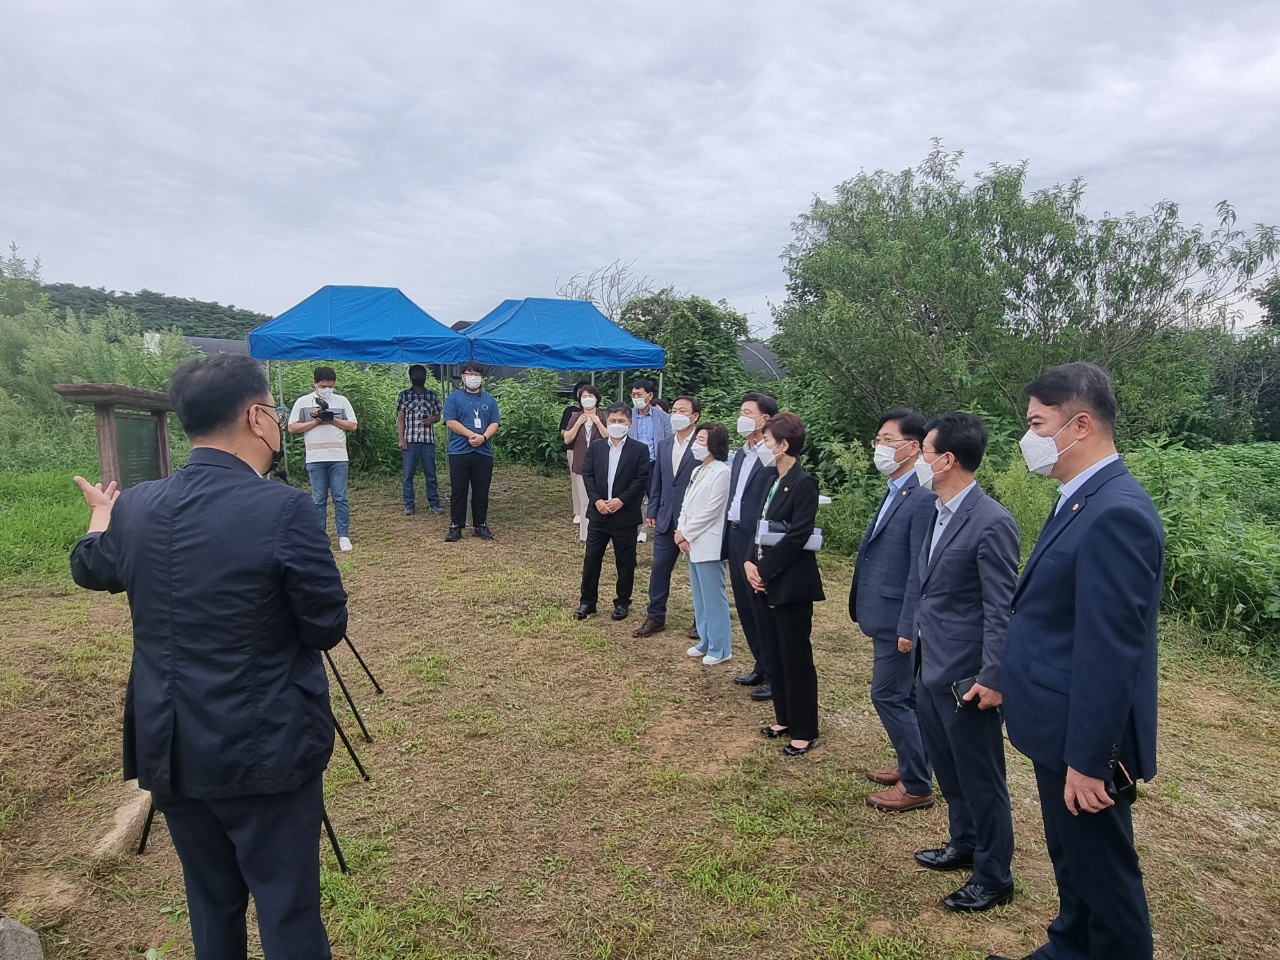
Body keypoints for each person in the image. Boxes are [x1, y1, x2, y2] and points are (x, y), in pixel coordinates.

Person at [70, 353, 348, 960]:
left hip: (171, 743)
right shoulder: (284, 509)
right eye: (274, 411)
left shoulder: (138, 505)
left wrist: (100, 515)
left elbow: (91, 567)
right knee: (287, 907)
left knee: (210, 903)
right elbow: (326, 625)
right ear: (256, 417)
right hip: (265, 746)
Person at [990, 363, 1165, 960]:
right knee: (1074, 861)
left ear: (1080, 424)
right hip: (1054, 724)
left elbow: (1111, 649)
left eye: (1038, 423)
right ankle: (1067, 946)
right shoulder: (1080, 498)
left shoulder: (1116, 511)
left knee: (1105, 874)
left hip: (1082, 741)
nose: (1029, 436)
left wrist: (1091, 760)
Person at [909, 412, 1020, 914]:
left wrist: (993, 676)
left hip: (967, 678)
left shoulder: (992, 521)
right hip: (931, 665)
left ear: (947, 459)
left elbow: (1001, 609)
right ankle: (964, 843)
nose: (917, 460)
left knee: (981, 777)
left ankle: (994, 875)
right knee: (949, 771)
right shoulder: (938, 508)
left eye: (924, 451)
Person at [851, 408, 937, 812]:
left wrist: (909, 623)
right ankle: (910, 764)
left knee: (888, 695)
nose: (880, 448)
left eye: (888, 440)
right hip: (884, 612)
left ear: (913, 447)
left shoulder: (921, 497)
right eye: (878, 440)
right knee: (905, 694)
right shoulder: (896, 487)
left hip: (896, 618)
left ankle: (918, 783)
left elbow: (919, 569)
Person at [744, 412, 825, 756]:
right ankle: (784, 717)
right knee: (773, 652)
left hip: (790, 581)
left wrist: (764, 570)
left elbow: (797, 536)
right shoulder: (768, 477)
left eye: (768, 439)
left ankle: (804, 729)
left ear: (784, 444)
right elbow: (758, 523)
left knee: (795, 657)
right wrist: (749, 560)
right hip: (763, 576)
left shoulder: (804, 482)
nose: (763, 444)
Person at [723, 392, 779, 701]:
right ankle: (760, 663)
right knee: (744, 604)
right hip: (735, 531)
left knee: (760, 604)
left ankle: (773, 673)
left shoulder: (771, 456)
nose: (742, 417)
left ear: (765, 419)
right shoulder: (742, 453)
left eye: (748, 412)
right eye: (741, 410)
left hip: (758, 535)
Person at [574, 403, 651, 621]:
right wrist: (597, 500)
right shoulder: (597, 447)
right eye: (613, 421)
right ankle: (587, 602)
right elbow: (587, 475)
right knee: (591, 559)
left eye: (621, 421)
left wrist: (622, 500)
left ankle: (622, 602)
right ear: (607, 422)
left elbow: (640, 479)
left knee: (625, 562)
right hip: (599, 514)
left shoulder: (639, 449)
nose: (617, 425)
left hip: (624, 516)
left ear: (630, 423)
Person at [634, 395, 701, 639]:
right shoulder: (664, 444)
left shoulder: (703, 445)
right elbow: (658, 481)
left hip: (693, 521)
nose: (677, 414)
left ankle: (700, 619)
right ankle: (655, 616)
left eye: (683, 410)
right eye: (674, 409)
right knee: (659, 569)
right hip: (664, 517)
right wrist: (652, 510)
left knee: (698, 573)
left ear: (694, 417)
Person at [676, 423, 733, 665]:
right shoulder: (697, 470)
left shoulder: (723, 472)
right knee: (699, 595)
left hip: (708, 541)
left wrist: (686, 533)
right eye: (697, 438)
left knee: (713, 596)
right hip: (691, 539)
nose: (696, 444)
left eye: (701, 439)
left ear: (713, 444)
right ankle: (705, 639)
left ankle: (721, 647)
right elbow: (686, 504)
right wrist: (680, 530)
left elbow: (712, 511)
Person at [288, 366, 357, 552]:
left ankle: (343, 536)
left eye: (330, 386)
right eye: (323, 385)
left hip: (338, 457)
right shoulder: (303, 402)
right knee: (318, 499)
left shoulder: (342, 401)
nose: (327, 389)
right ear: (315, 384)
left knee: (340, 497)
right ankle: (320, 537)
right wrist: (314, 421)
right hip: (315, 457)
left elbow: (353, 425)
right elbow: (292, 427)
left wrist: (331, 419)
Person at [442, 362, 501, 542]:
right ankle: (456, 526)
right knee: (459, 489)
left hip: (483, 452)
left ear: (482, 377)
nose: (473, 377)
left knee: (481, 489)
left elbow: (495, 423)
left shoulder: (489, 400)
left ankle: (480, 525)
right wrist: (470, 434)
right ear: (463, 377)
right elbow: (450, 421)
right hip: (459, 451)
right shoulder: (454, 397)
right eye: (469, 373)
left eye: (476, 374)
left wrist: (483, 437)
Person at [628, 378, 672, 544]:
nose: (636, 398)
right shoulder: (628, 415)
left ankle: (645, 529)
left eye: (639, 394)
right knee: (632, 496)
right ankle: (631, 527)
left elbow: (669, 440)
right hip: (633, 464)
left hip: (654, 463)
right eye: (633, 394)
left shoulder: (663, 417)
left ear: (650, 395)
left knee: (653, 497)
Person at [396, 364, 444, 516]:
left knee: (431, 474)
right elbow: (401, 418)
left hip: (427, 440)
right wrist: (401, 439)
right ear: (410, 377)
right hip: (410, 440)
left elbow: (438, 416)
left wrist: (432, 419)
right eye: (415, 375)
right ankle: (409, 504)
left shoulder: (432, 395)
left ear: (425, 376)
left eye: (420, 375)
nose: (418, 377)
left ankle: (434, 503)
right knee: (407, 475)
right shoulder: (403, 395)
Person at [562, 384, 605, 542]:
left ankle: (601, 535)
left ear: (596, 398)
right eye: (584, 397)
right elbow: (567, 438)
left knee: (599, 500)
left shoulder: (603, 416)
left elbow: (610, 438)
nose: (587, 400)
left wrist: (598, 423)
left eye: (590, 396)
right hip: (581, 464)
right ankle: (586, 536)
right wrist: (579, 423)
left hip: (601, 465)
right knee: (585, 500)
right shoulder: (575, 416)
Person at [560, 381, 591, 523]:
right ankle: (578, 511)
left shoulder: (599, 413)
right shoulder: (570, 412)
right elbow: (563, 432)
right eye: (582, 393)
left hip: (592, 451)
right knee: (576, 479)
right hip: (574, 449)